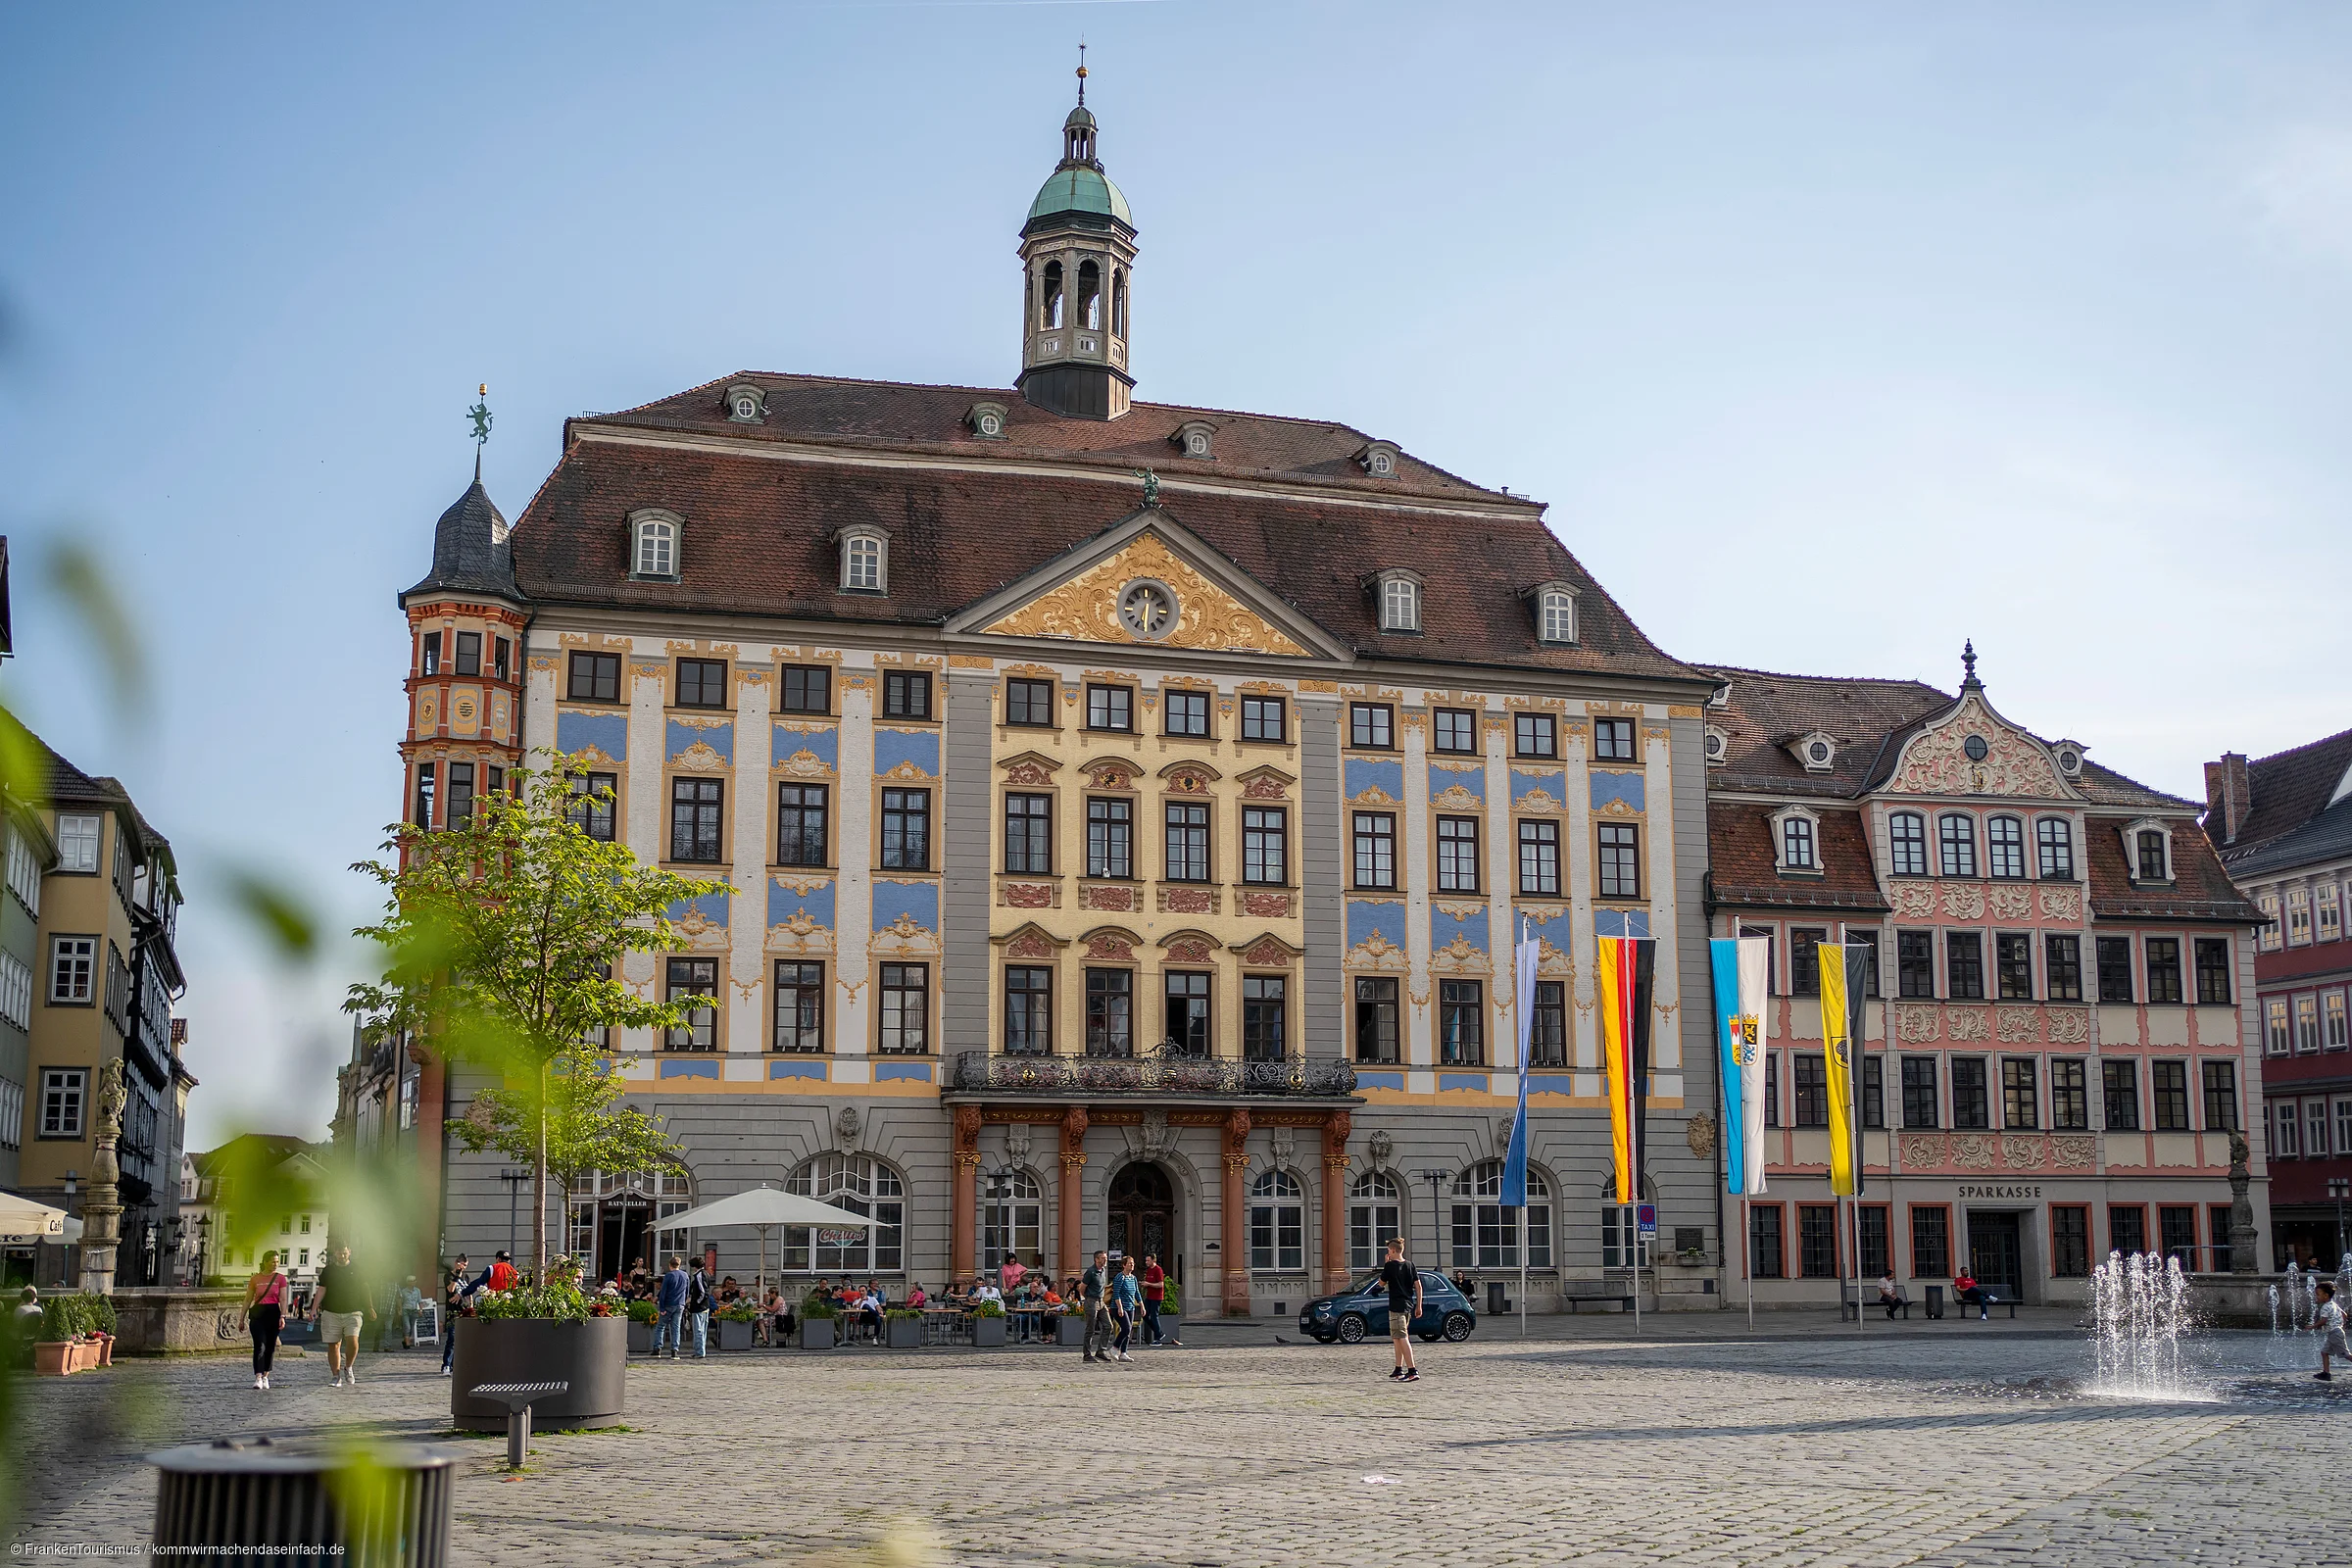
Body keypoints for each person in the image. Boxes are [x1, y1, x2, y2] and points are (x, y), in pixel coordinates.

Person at [311, 1245, 368, 1388]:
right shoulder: (328, 1270)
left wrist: (370, 1307)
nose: (342, 1256)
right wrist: (314, 1308)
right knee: (333, 1344)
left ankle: (348, 1367)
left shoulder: (358, 1269)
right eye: (339, 1253)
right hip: (331, 1311)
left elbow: (365, 1288)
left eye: (344, 1253)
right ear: (335, 1253)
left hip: (353, 1311)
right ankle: (336, 1376)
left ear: (349, 1252)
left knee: (353, 1342)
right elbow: (322, 1289)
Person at [245, 1250, 290, 1391]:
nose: (275, 1264)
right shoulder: (255, 1279)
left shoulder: (280, 1278)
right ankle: (258, 1377)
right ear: (265, 1262)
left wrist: (283, 1316)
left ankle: (265, 1376)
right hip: (258, 1313)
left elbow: (283, 1298)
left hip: (273, 1313)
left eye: (277, 1261)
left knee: (270, 1346)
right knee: (259, 1345)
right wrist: (241, 1318)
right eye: (272, 1261)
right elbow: (248, 1299)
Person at [1380, 1238, 1422, 1383]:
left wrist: (1386, 1265)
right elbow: (1418, 1286)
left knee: (1402, 1337)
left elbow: (1381, 1283)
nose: (1388, 1253)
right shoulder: (1410, 1265)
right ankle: (1398, 1369)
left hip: (1396, 1306)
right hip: (1408, 1305)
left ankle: (1412, 1370)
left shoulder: (1390, 1266)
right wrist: (1419, 1305)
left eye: (1388, 1251)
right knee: (1397, 1337)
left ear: (1392, 1250)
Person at [1081, 1250, 1115, 1364]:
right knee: (1090, 1329)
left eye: (1105, 1258)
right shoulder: (1090, 1272)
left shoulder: (1103, 1270)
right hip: (1091, 1301)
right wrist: (1088, 1298)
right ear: (1096, 1259)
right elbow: (1082, 1288)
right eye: (1102, 1258)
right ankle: (1087, 1354)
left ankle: (1101, 1351)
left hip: (1101, 1302)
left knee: (1108, 1326)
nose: (1105, 1260)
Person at [655, 1254, 689, 1358]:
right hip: (680, 1304)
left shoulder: (669, 1276)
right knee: (676, 1328)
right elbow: (687, 1292)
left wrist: (662, 1307)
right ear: (679, 1265)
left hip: (669, 1304)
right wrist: (683, 1302)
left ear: (670, 1265)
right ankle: (674, 1350)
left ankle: (657, 1349)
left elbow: (663, 1292)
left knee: (661, 1326)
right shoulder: (685, 1275)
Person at [1140, 1252, 1178, 1348]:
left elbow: (1161, 1284)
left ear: (1154, 1260)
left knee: (1154, 1316)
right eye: (1146, 1260)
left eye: (1148, 1260)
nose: (1146, 1262)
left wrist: (1148, 1284)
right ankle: (1159, 1333)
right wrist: (1144, 1284)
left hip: (1156, 1297)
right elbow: (1149, 1282)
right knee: (1144, 1315)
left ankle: (1158, 1338)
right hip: (1149, 1296)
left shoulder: (1158, 1270)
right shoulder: (1149, 1270)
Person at [440, 1255, 470, 1376]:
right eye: (462, 1264)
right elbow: (450, 1290)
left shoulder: (466, 1277)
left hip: (464, 1310)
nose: (463, 1267)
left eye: (466, 1265)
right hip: (452, 1312)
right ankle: (446, 1365)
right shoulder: (449, 1276)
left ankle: (454, 1366)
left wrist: (471, 1304)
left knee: (461, 1341)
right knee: (452, 1339)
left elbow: (468, 1292)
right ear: (456, 1263)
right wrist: (457, 1276)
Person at [1109, 1255, 1143, 1362]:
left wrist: (1142, 1305)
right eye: (1129, 1263)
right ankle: (1114, 1348)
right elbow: (1116, 1294)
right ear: (1124, 1265)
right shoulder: (1120, 1277)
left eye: (1133, 1263)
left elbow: (1137, 1293)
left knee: (1128, 1330)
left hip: (1130, 1307)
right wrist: (1120, 1308)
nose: (1132, 1265)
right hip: (1119, 1307)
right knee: (1126, 1328)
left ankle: (1123, 1353)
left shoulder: (1133, 1278)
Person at [2316, 1281, 2345, 1382]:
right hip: (2335, 1332)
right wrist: (2340, 1324)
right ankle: (2326, 1373)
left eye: (2318, 1295)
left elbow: (2324, 1321)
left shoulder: (2325, 1307)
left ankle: (2326, 1373)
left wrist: (2312, 1326)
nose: (2316, 1297)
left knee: (2345, 1354)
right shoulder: (2334, 1304)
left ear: (2325, 1296)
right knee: (2324, 1352)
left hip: (2335, 1333)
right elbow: (2344, 1315)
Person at [685, 1258, 714, 1357]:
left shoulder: (699, 1275)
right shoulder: (706, 1273)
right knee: (703, 1330)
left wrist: (696, 1302)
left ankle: (699, 1351)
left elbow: (703, 1292)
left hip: (699, 1307)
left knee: (698, 1329)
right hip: (705, 1305)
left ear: (694, 1267)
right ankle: (700, 1350)